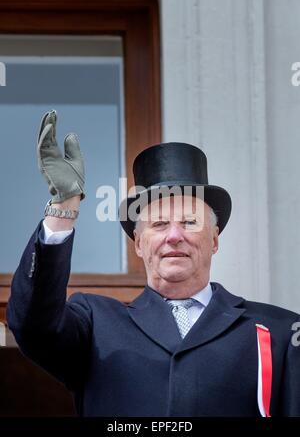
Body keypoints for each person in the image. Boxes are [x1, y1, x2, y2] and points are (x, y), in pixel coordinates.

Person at [7, 110, 300, 417]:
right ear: (139, 244)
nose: (174, 236)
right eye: (159, 224)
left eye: (189, 222)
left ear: (214, 240)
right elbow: (32, 325)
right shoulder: (95, 325)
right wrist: (63, 207)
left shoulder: (279, 331)